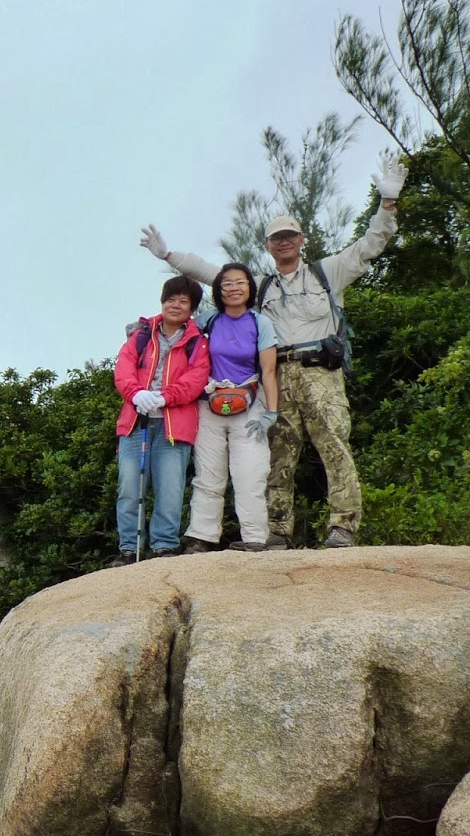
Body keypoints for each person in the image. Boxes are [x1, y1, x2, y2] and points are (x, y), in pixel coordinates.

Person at [138, 155, 405, 548]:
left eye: (290, 235)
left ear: (302, 239)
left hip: (320, 371)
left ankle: (343, 526)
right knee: (278, 452)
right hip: (275, 375)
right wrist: (168, 255)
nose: (284, 241)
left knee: (334, 444)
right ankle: (277, 530)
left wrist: (387, 204)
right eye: (276, 238)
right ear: (267, 245)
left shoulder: (327, 273)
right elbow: (210, 272)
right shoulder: (259, 285)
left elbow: (370, 246)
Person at [111, 275, 212, 566]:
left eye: (183, 301)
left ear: (192, 308)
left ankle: (164, 546)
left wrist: (165, 397)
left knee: (170, 489)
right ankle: (129, 549)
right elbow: (123, 370)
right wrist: (136, 394)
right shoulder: (141, 335)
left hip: (174, 426)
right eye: (171, 299)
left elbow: (196, 379)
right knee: (130, 488)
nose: (175, 305)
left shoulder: (198, 342)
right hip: (135, 423)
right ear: (162, 301)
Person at [183, 262, 279, 553]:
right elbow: (177, 327)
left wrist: (271, 413)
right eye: (227, 284)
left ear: (250, 287)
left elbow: (269, 371)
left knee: (250, 472)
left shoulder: (260, 323)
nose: (234, 288)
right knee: (208, 474)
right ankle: (201, 537)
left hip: (249, 404)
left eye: (240, 282)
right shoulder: (209, 320)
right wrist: (145, 327)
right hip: (210, 403)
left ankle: (255, 537)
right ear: (218, 290)